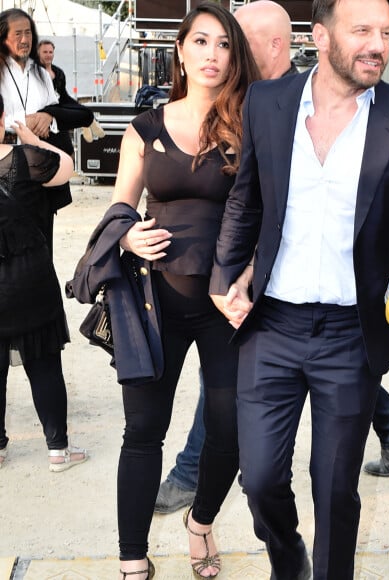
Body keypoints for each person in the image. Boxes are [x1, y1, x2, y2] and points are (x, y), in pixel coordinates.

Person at [209, 0, 389, 577]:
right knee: (262, 479)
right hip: (270, 325)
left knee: (335, 490)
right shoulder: (268, 103)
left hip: (352, 333)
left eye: (387, 34)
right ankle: (289, 558)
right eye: (362, 30)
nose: (378, 45)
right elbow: (246, 199)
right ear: (321, 36)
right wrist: (227, 275)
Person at [154, 0, 389, 516]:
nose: (224, 53)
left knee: (319, 461)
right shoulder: (255, 102)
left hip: (316, 299)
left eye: (237, 41)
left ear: (275, 45)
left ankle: (192, 469)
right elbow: (249, 198)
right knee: (259, 429)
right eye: (214, 41)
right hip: (256, 291)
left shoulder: (335, 106)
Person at [108, 3, 260, 578]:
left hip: (227, 303)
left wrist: (246, 277)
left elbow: (264, 214)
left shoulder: (248, 126)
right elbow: (121, 207)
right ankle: (132, 560)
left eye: (223, 45)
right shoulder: (145, 129)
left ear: (234, 56)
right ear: (181, 50)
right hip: (155, 303)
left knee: (230, 430)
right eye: (201, 42)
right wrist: (126, 239)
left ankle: (200, 523)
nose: (212, 55)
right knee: (142, 431)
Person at [0, 94, 88, 472]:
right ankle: (58, 450)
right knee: (44, 364)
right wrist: (33, 140)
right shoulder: (25, 160)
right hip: (30, 278)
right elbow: (67, 168)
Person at [0, 8, 79, 245]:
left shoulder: (42, 74)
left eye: (28, 34)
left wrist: (48, 118)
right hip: (7, 161)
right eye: (17, 34)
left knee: (42, 235)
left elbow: (52, 110)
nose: (24, 40)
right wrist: (29, 121)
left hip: (38, 157)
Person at [37, 39, 105, 145]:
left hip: (59, 108)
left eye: (50, 52)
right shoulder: (35, 72)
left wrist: (78, 107)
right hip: (45, 111)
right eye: (45, 52)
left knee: (84, 110)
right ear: (38, 53)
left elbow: (64, 96)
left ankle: (88, 122)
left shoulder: (58, 72)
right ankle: (87, 122)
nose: (48, 55)